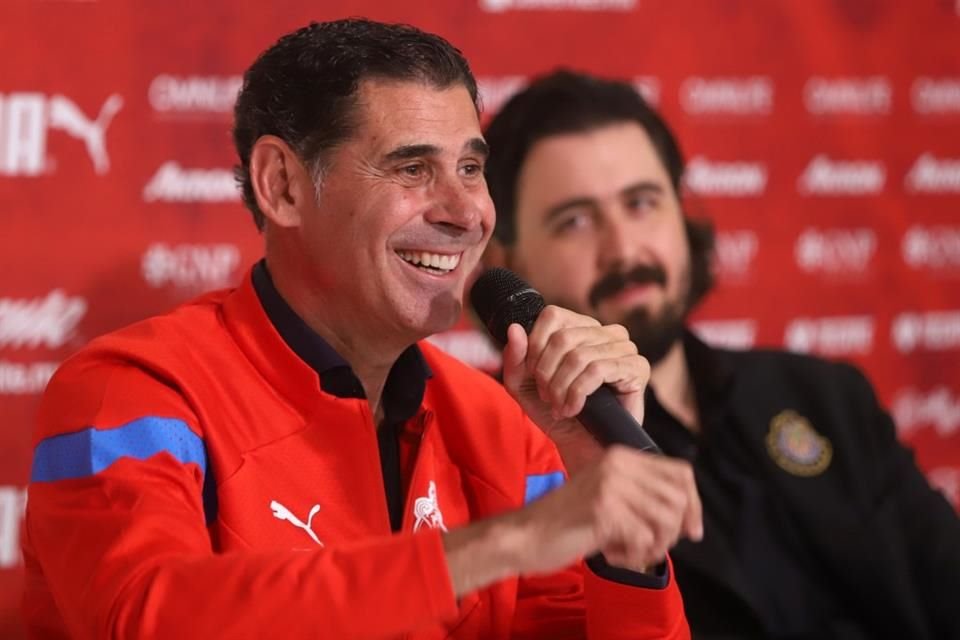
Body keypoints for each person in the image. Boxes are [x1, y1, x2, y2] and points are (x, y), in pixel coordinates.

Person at [20, 21, 703, 639]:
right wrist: (506, 543)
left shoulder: (503, 428)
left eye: (471, 167)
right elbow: (144, 616)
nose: (467, 212)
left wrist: (623, 548)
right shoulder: (131, 392)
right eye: (413, 168)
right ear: (283, 185)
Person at [481, 69, 960, 640]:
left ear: (684, 216)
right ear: (507, 259)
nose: (624, 248)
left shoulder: (825, 395)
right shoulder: (501, 455)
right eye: (575, 221)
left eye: (642, 203)